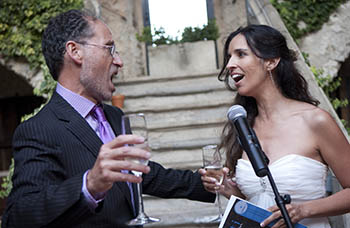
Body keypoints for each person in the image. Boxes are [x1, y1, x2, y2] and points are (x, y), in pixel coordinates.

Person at [2, 9, 215, 228]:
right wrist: (89, 184)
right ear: (75, 51)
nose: (119, 61)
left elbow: (138, 173)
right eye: (110, 48)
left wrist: (208, 184)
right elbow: (18, 216)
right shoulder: (38, 130)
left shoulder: (115, 115)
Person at [200, 24, 350, 228]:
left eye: (241, 54)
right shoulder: (243, 124)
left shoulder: (315, 121)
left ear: (271, 62)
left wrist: (303, 210)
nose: (230, 65)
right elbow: (260, 202)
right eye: (229, 57)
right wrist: (229, 191)